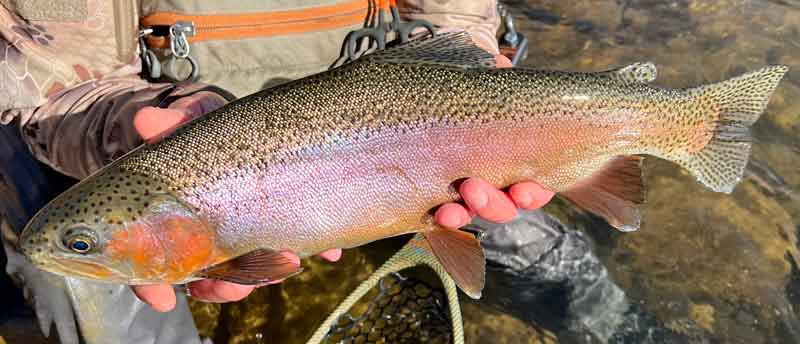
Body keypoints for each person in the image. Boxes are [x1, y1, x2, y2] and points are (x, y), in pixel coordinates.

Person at [0, 1, 554, 340]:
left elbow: (451, 19)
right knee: (75, 297)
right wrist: (127, 127)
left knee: (546, 253)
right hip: (143, 136)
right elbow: (62, 86)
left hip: (415, 115)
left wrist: (472, 68)